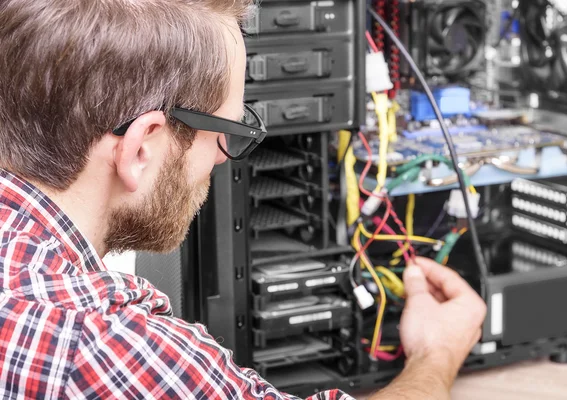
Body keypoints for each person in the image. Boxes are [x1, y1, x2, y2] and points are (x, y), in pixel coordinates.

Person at [0, 1, 486, 399]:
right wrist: (436, 353)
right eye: (228, 131)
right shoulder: (99, 347)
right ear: (142, 147)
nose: (223, 159)